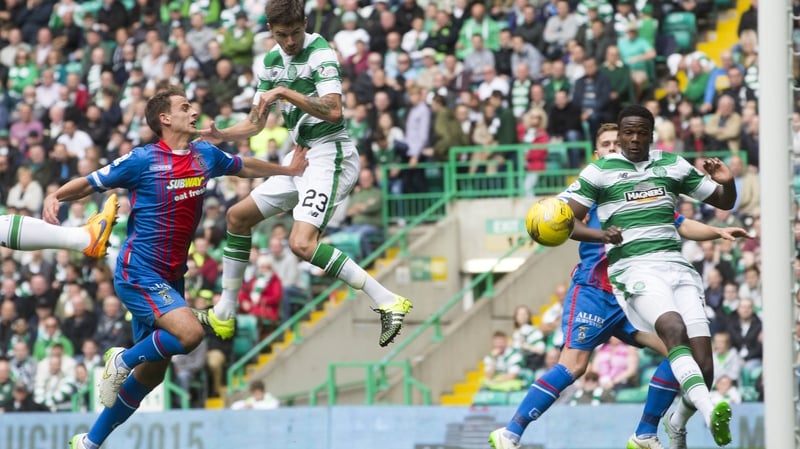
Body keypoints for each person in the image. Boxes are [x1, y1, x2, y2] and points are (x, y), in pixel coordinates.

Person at [52, 86, 307, 449]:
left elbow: (242, 165)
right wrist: (55, 196)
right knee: (189, 335)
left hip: (171, 277)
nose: (193, 111)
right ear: (165, 118)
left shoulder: (204, 154)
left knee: (153, 373)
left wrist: (287, 169)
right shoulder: (142, 159)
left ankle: (89, 442)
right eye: (184, 107)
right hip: (138, 271)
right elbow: (93, 181)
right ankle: (120, 359)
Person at [489, 122, 749, 449]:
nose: (615, 148)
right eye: (608, 144)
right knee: (574, 366)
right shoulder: (589, 190)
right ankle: (510, 432)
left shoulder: (639, 189)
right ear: (597, 153)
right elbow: (560, 219)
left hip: (636, 290)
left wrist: (718, 232)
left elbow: (678, 223)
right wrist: (593, 231)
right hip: (596, 292)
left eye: (617, 142)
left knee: (680, 350)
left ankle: (645, 433)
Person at [198, 0, 412, 348]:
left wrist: (285, 93)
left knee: (300, 243)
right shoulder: (270, 61)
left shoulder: (320, 52)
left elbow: (333, 111)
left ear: (304, 24)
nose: (290, 41)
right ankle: (224, 312)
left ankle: (387, 300)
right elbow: (255, 124)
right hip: (300, 156)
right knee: (236, 217)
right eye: (282, 34)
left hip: (331, 153)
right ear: (270, 29)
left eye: (295, 32)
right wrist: (224, 134)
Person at [566, 105, 737, 447]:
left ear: (651, 134)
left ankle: (676, 423)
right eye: (627, 132)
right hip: (633, 268)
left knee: (703, 365)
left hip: (676, 265)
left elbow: (723, 201)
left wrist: (728, 183)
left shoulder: (671, 164)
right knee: (672, 328)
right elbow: (567, 221)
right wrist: (602, 236)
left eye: (640, 133)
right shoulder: (599, 172)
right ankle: (710, 406)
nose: (632, 139)